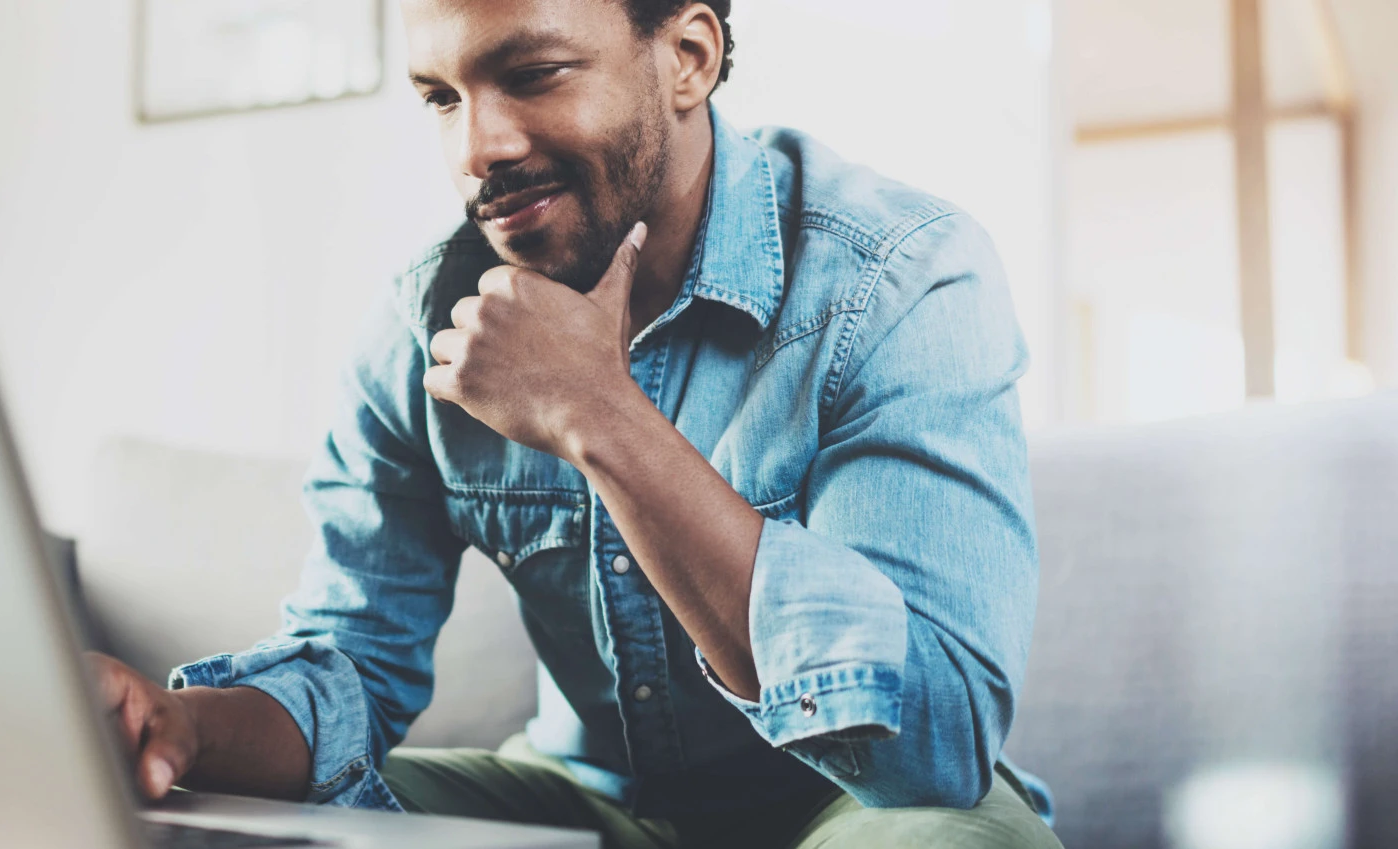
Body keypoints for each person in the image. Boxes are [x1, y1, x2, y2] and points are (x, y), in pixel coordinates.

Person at [87, 1, 1063, 846]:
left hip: (860, 806)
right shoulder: (420, 326)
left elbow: (935, 744)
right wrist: (179, 728)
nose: (479, 148)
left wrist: (600, 411)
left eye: (533, 73)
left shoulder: (897, 279)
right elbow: (352, 664)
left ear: (689, 58)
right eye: (441, 97)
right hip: (582, 798)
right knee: (231, 818)